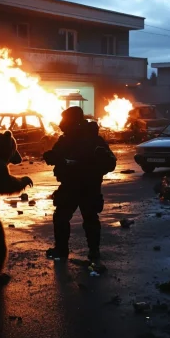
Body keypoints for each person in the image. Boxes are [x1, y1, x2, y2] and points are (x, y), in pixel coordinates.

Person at [43, 106, 116, 266]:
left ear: (73, 121)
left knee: (90, 219)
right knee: (61, 217)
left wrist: (88, 164)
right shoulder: (66, 139)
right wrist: (52, 157)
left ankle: (93, 250)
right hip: (69, 185)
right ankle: (61, 250)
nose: (61, 123)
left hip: (88, 186)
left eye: (64, 120)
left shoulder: (93, 139)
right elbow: (58, 155)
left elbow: (110, 163)